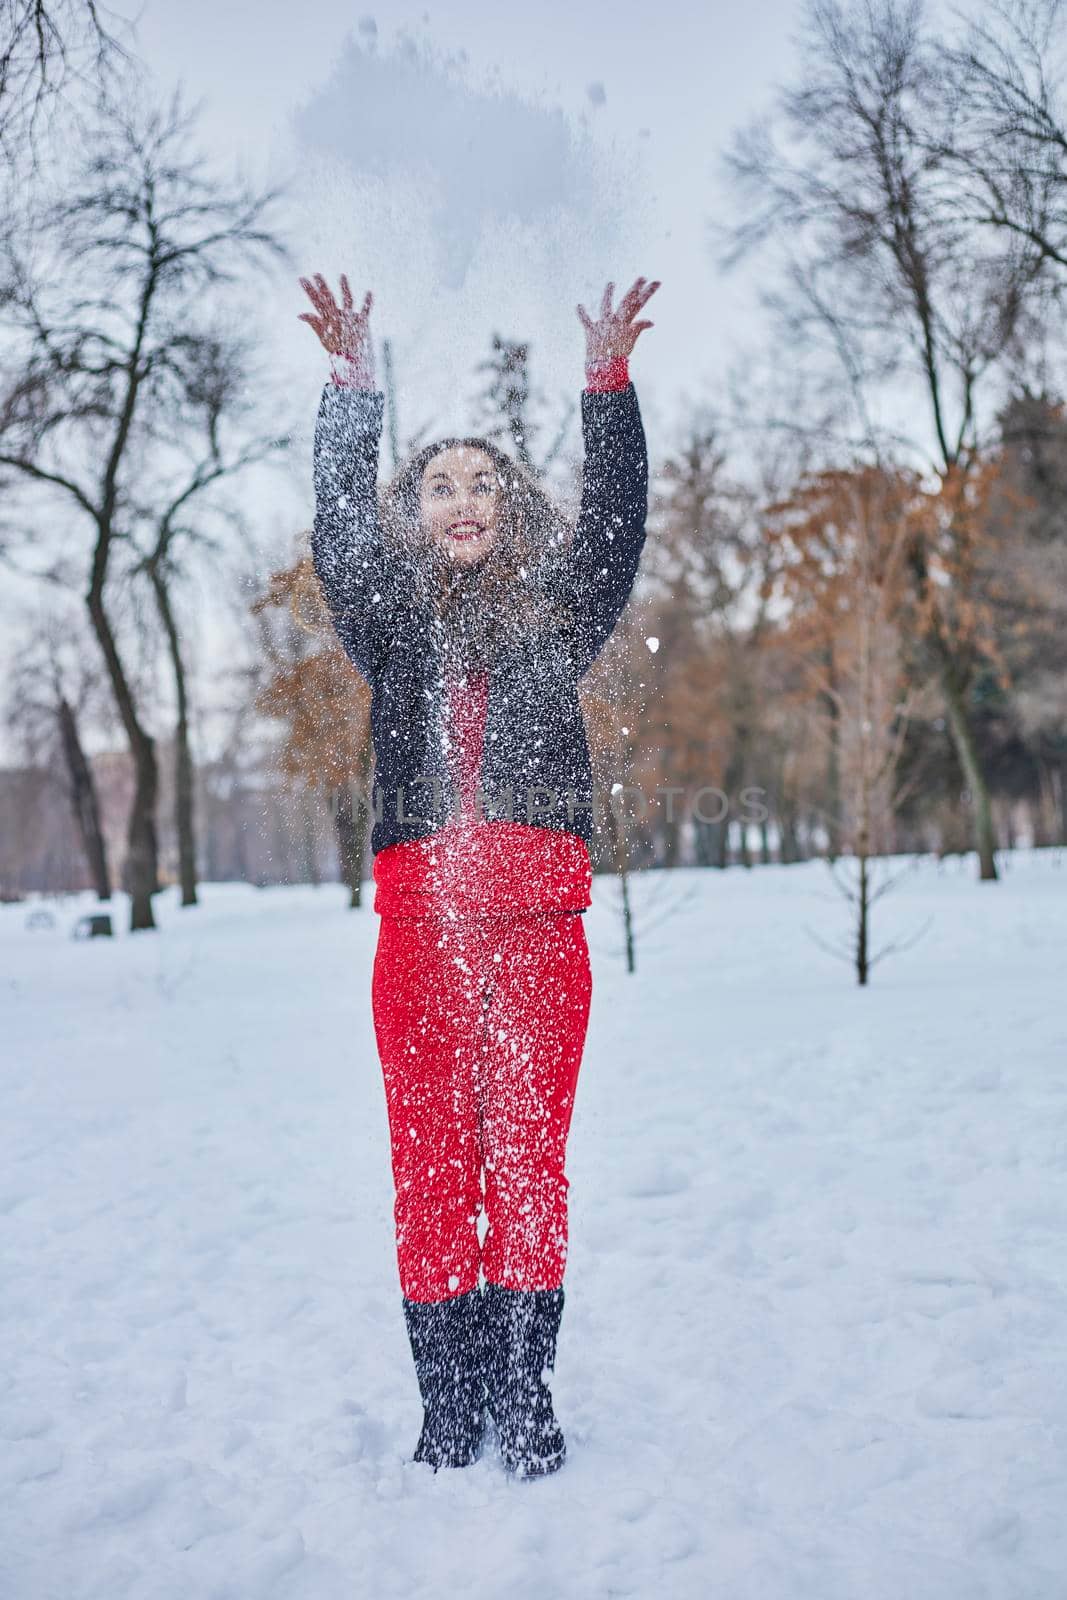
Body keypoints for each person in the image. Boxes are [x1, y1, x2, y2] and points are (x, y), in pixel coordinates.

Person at [299, 269, 658, 1477]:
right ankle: (447, 1396)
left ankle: (524, 1386)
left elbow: (615, 522)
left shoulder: (559, 615)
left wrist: (605, 384)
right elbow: (341, 536)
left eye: (483, 482)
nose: (462, 497)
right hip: (417, 941)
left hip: (540, 933)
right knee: (430, 1166)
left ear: (509, 510)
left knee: (524, 1165)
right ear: (418, 510)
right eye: (439, 481)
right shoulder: (388, 624)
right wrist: (354, 391)